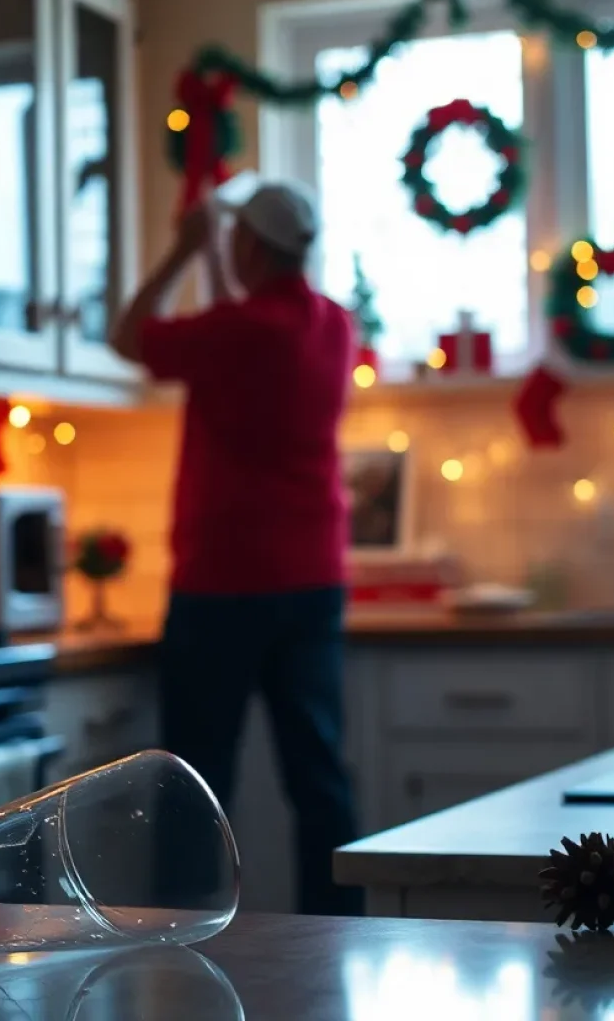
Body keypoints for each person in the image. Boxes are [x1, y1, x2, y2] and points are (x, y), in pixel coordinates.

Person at [111, 182, 363, 916]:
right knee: (319, 780)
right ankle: (338, 934)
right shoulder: (333, 326)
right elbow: (238, 319)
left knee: (196, 780)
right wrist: (220, 258)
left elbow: (129, 336)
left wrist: (183, 250)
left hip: (223, 588)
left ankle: (181, 935)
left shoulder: (235, 333)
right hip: (312, 581)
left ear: (249, 246)